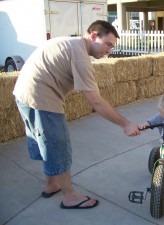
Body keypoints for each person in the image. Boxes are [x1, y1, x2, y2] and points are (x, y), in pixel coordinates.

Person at [13, 20, 141, 209]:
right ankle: (70, 196)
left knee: (49, 142)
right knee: (59, 145)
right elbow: (95, 101)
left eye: (112, 47)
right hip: (41, 97)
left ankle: (51, 184)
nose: (109, 50)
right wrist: (126, 124)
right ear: (93, 35)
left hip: (24, 94)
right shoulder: (80, 55)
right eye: (107, 44)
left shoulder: (73, 45)